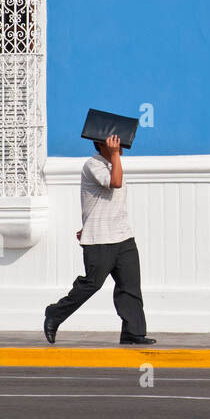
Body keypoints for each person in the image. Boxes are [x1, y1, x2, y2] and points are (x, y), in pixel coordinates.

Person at [44, 134, 156, 345]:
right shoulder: (92, 165)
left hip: (123, 236)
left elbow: (102, 201)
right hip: (99, 239)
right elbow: (115, 182)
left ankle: (133, 332)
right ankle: (54, 313)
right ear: (101, 144)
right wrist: (114, 154)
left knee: (130, 286)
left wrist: (115, 156)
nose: (120, 146)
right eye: (115, 142)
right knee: (91, 284)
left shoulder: (115, 163)